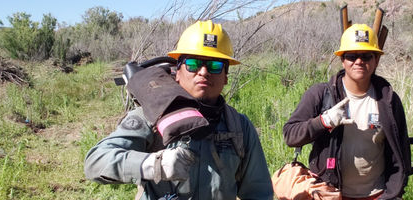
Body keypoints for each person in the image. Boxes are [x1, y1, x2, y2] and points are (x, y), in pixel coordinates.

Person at [83, 20, 273, 200]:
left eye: (215, 66)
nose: (204, 72)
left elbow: (258, 193)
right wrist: (152, 165)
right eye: (193, 64)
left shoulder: (239, 127)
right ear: (178, 72)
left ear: (225, 77)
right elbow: (96, 161)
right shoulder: (152, 115)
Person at [283, 23, 410, 200]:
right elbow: (290, 135)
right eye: (351, 56)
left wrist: (394, 192)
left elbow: (401, 151)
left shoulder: (388, 100)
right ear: (342, 60)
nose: (359, 61)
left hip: (377, 194)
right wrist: (323, 122)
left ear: (376, 60)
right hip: (330, 193)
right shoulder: (320, 94)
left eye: (366, 56)